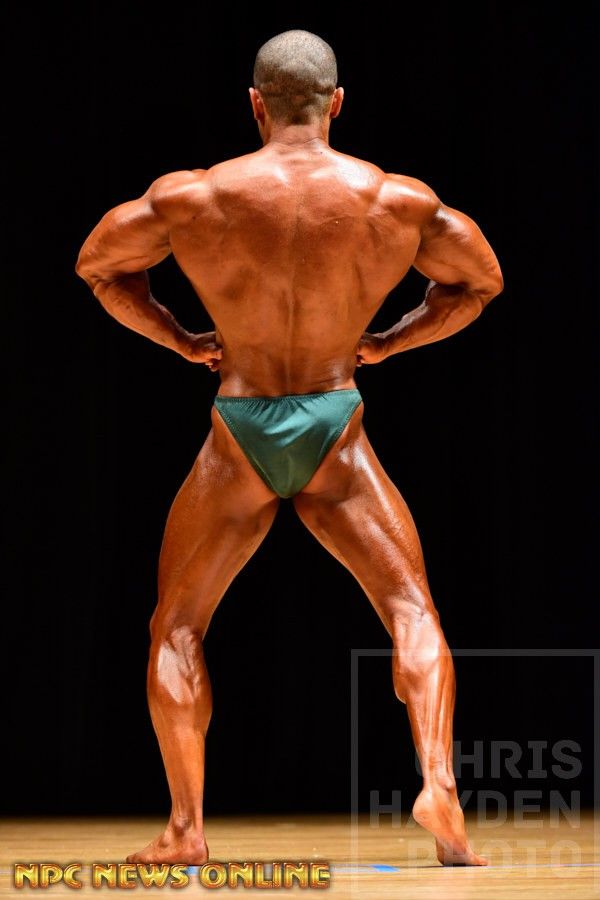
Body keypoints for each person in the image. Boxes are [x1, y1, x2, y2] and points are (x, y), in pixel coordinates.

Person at [75, 29, 503, 867]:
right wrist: (392, 342)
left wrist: (177, 338)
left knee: (177, 626)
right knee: (411, 608)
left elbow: (99, 267)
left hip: (239, 423)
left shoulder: (192, 197)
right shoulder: (397, 201)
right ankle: (440, 784)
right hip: (335, 421)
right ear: (338, 102)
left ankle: (186, 828)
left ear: (255, 104)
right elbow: (479, 283)